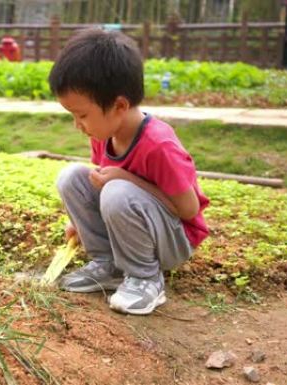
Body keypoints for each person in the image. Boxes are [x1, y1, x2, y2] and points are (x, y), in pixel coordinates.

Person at [49, 29, 209, 315]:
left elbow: (188, 210)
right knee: (72, 176)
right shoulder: (103, 133)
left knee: (117, 190)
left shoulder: (159, 145)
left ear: (119, 105)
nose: (77, 124)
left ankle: (146, 278)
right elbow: (101, 184)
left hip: (172, 238)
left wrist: (127, 179)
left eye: (82, 115)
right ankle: (109, 265)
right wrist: (81, 221)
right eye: (72, 115)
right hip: (133, 219)